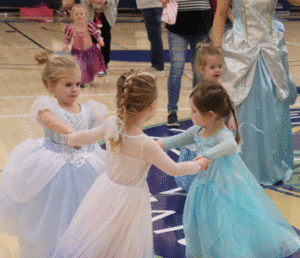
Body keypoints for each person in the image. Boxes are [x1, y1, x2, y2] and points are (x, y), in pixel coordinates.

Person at [50, 69, 211, 258]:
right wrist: (198, 165)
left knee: (101, 238)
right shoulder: (145, 144)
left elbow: (87, 136)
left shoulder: (112, 123)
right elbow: (175, 169)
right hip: (131, 201)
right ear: (152, 106)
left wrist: (72, 138)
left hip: (105, 191)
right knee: (124, 246)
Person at [158, 80, 300, 258]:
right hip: (202, 191)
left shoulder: (222, 134)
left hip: (222, 193)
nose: (191, 114)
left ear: (210, 114)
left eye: (194, 111)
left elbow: (230, 145)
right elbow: (175, 140)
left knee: (222, 230)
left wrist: (208, 154)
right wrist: (154, 145)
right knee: (199, 227)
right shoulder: (197, 131)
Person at [0, 51, 107, 257]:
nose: (74, 90)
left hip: (84, 168)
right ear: (51, 86)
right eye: (68, 85)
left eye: (77, 84)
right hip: (54, 170)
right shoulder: (47, 107)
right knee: (53, 216)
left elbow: (96, 134)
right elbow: (52, 122)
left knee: (83, 214)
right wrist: (71, 133)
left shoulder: (89, 109)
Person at [212, 0, 300, 186]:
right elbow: (220, 14)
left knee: (273, 110)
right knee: (243, 110)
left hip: (270, 51)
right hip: (241, 51)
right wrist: (217, 52)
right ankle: (242, 168)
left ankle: (272, 166)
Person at [175, 44, 236, 192]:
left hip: (221, 132)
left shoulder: (226, 88)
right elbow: (195, 114)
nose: (217, 70)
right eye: (212, 67)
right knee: (203, 162)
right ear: (202, 69)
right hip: (205, 133)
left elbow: (233, 106)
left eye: (220, 66)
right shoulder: (199, 91)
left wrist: (234, 118)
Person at [158, 0, 213, 127]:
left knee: (200, 72)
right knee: (176, 69)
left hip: (202, 22)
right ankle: (172, 111)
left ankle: (198, 110)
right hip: (178, 24)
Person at [61, 0, 119, 77]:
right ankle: (88, 66)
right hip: (90, 13)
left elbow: (115, 2)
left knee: (105, 39)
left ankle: (104, 66)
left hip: (107, 14)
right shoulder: (72, 27)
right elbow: (83, 3)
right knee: (90, 41)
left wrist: (105, 2)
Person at [63, 4, 106, 88]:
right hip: (77, 51)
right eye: (76, 14)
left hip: (89, 50)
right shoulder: (70, 28)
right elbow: (67, 38)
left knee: (90, 66)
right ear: (72, 16)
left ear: (85, 15)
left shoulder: (89, 26)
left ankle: (87, 79)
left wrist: (100, 40)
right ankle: (81, 80)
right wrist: (65, 44)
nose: (79, 16)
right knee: (79, 66)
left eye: (81, 14)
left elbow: (96, 34)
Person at [136, 0, 164, 74]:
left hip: (152, 6)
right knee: (153, 36)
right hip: (149, 6)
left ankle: (158, 66)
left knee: (155, 36)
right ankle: (156, 65)